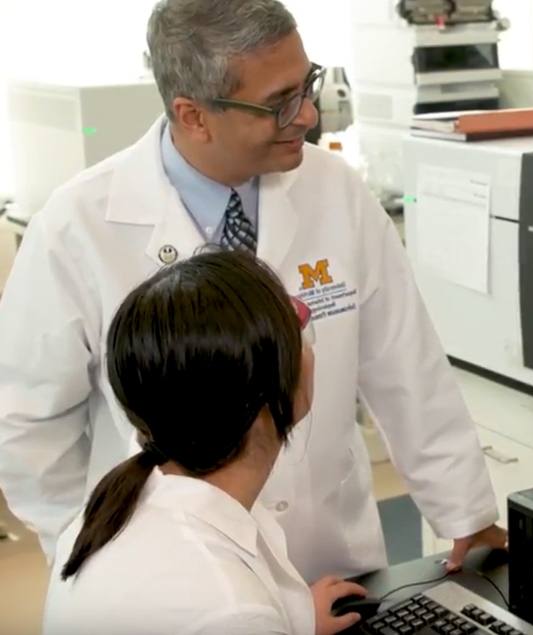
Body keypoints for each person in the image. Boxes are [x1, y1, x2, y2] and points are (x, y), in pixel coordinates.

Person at [0, 0, 503, 583]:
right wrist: (91, 561)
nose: (309, 115)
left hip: (329, 560)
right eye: (278, 104)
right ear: (193, 115)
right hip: (171, 580)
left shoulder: (335, 190)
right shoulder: (77, 227)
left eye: (307, 85)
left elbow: (406, 367)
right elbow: (29, 422)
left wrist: (466, 513)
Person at [41, 250, 369, 635]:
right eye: (299, 333)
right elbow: (222, 613)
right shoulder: (230, 609)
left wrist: (289, 619)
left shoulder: (111, 508)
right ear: (272, 390)